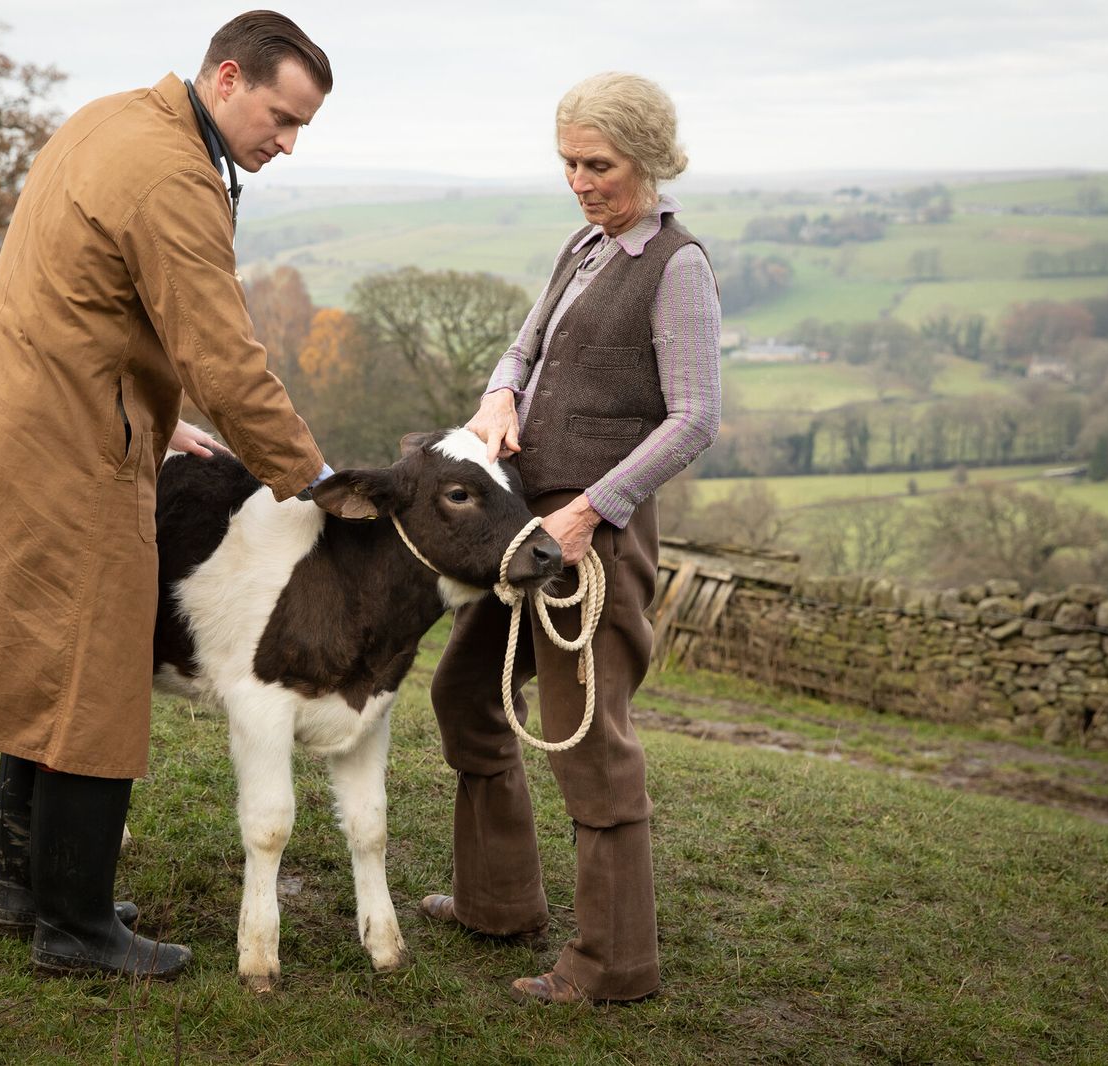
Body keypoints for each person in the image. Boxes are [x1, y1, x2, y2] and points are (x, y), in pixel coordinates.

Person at [0, 11, 338, 981]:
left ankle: (24, 888)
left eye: (302, 128)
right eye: (282, 118)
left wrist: (156, 415)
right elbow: (223, 359)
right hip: (73, 453)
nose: (287, 143)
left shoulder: (113, 119)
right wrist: (315, 481)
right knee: (95, 676)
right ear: (228, 79)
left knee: (45, 657)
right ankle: (75, 927)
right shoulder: (173, 175)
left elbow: (86, 300)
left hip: (31, 420)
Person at [421, 72, 721, 1004]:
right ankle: (497, 901)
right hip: (524, 530)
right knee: (466, 691)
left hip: (596, 541)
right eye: (569, 164)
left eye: (599, 166)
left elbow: (696, 418)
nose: (581, 182)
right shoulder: (583, 246)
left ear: (648, 159)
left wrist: (591, 509)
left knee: (589, 744)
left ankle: (614, 965)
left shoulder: (677, 267)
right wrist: (499, 395)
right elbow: (524, 348)